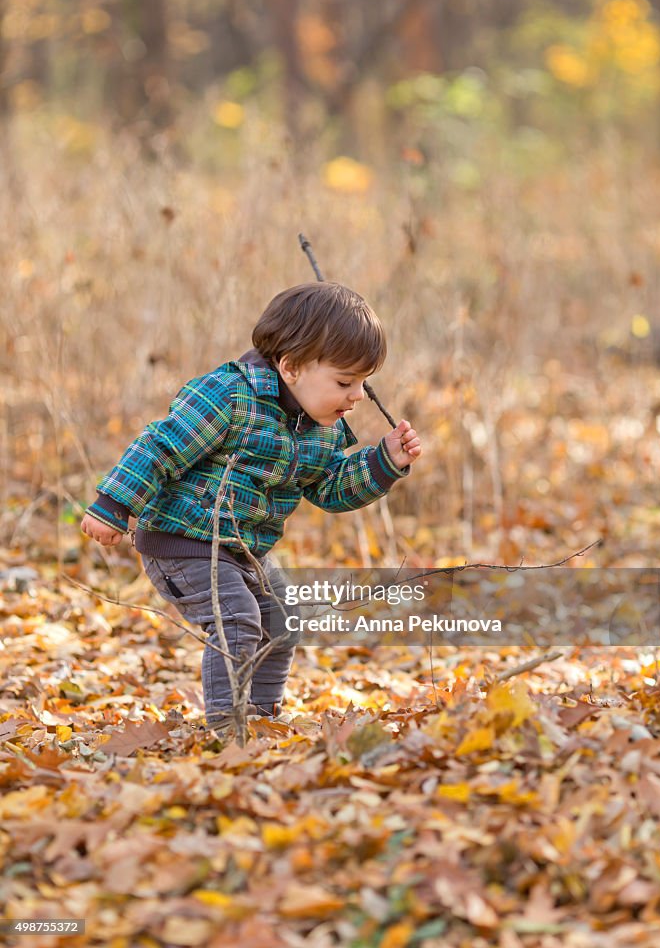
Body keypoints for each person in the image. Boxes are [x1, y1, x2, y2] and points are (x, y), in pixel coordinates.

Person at [81, 282, 421, 735]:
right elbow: (160, 448)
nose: (357, 395)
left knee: (281, 624)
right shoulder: (228, 397)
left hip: (245, 550)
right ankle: (229, 728)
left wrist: (384, 462)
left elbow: (329, 489)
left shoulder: (319, 427)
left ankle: (262, 719)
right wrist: (113, 504)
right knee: (238, 622)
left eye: (362, 383)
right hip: (184, 543)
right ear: (292, 367)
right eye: (344, 382)